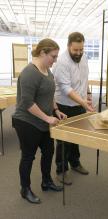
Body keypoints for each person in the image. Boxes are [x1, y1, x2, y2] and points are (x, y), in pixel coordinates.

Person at [12, 38, 67, 204]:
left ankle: (46, 181)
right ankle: (25, 189)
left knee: (48, 152)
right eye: (53, 56)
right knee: (28, 156)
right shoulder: (29, 72)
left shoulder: (47, 71)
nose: (55, 60)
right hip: (27, 122)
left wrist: (56, 111)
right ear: (43, 53)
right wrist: (47, 117)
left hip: (44, 121)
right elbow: (27, 103)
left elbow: (49, 95)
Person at [53, 32, 94, 185]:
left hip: (80, 103)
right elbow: (65, 88)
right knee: (64, 139)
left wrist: (88, 94)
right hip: (64, 105)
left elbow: (85, 78)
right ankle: (61, 170)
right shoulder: (62, 63)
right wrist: (84, 103)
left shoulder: (84, 57)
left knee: (77, 137)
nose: (78, 53)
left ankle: (75, 163)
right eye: (75, 50)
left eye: (81, 49)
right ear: (69, 46)